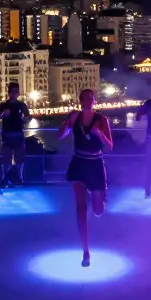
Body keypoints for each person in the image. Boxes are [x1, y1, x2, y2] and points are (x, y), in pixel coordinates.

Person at [58, 88, 113, 267]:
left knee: (98, 211)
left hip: (96, 164)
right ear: (80, 100)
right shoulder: (75, 117)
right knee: (81, 210)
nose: (88, 101)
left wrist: (100, 134)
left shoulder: (102, 120)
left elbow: (110, 146)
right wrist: (67, 124)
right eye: (85, 99)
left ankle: (99, 198)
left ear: (94, 100)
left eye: (91, 98)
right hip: (79, 163)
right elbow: (60, 136)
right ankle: (86, 251)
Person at [0, 83, 31, 189]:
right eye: (12, 91)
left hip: (18, 135)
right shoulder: (3, 105)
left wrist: (24, 120)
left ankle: (20, 178)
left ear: (18, 93)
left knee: (20, 159)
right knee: (6, 160)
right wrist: (3, 114)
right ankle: (5, 179)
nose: (14, 94)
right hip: (6, 136)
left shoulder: (22, 105)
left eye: (16, 91)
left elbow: (29, 117)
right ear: (9, 93)